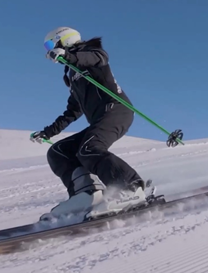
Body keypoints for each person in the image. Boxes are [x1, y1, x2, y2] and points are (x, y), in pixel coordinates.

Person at [30, 26, 146, 220]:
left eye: (50, 44)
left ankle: (130, 188)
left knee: (89, 148)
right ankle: (86, 195)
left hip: (116, 110)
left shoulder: (91, 53)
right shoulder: (74, 76)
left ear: (63, 40)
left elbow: (97, 58)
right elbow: (72, 112)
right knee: (58, 152)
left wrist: (67, 56)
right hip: (100, 119)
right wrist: (47, 133)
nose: (49, 50)